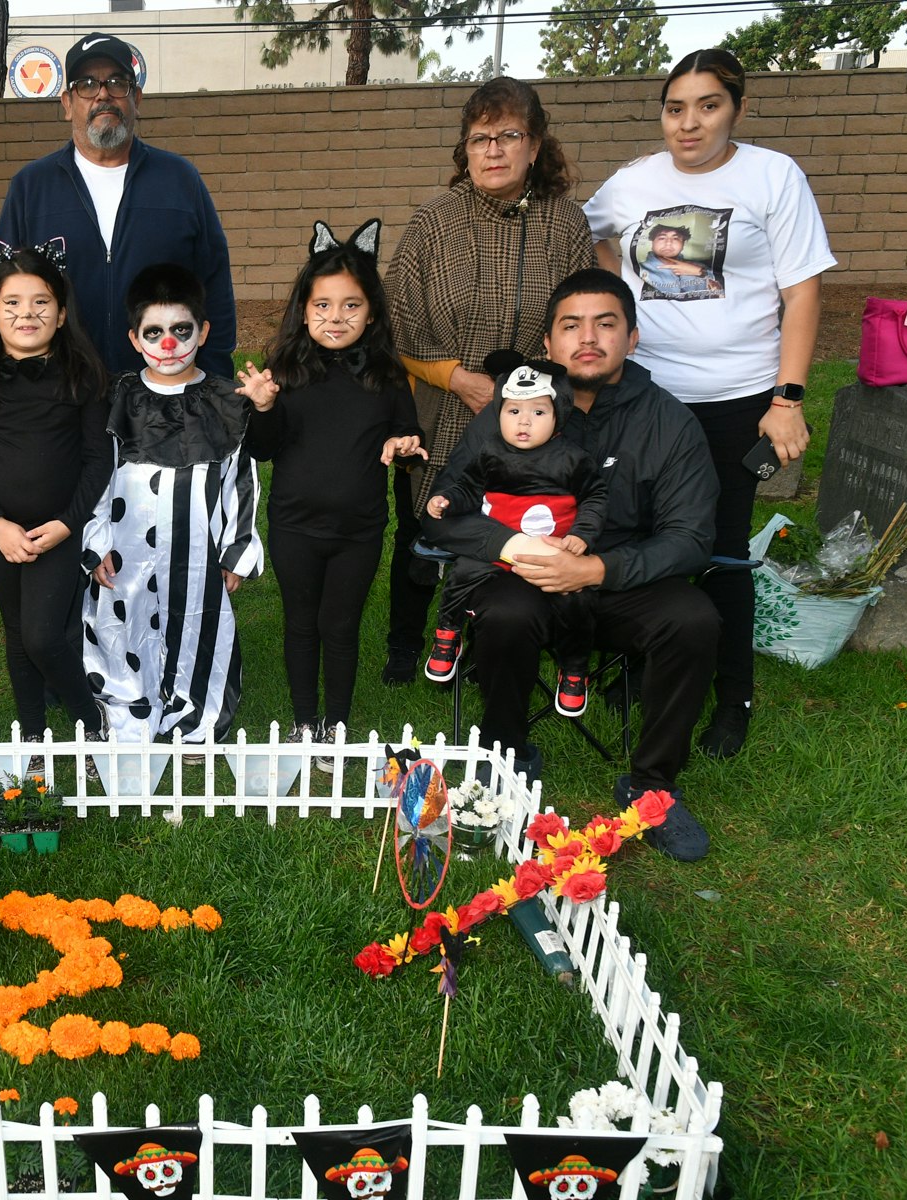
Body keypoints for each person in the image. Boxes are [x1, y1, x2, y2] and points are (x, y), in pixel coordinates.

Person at [585, 48, 834, 761]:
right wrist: (616, 287)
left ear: (737, 108)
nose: (688, 124)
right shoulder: (634, 182)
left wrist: (787, 398)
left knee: (720, 549)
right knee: (636, 535)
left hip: (739, 397)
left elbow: (803, 291)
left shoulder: (772, 176)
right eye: (674, 108)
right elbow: (587, 231)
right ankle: (638, 665)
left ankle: (733, 698)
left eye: (707, 106)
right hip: (648, 395)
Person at [423, 269, 719, 862]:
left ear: (631, 338)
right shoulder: (513, 408)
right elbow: (440, 508)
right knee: (503, 613)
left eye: (606, 324)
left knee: (695, 619)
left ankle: (652, 789)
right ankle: (504, 759)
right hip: (524, 577)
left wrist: (596, 570)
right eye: (571, 326)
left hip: (618, 581)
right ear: (550, 343)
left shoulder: (667, 421)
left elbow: (691, 538)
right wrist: (516, 550)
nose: (588, 337)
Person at [384, 77, 597, 685]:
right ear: (465, 149)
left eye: (509, 135)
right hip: (444, 405)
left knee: (513, 521)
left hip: (530, 416)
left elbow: (576, 321)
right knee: (424, 522)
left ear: (534, 146)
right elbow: (398, 325)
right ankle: (405, 642)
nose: (494, 149)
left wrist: (530, 392)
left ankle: (486, 639)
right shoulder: (433, 223)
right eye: (481, 138)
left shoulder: (564, 224)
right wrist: (459, 379)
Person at [235, 219, 422, 768]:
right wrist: (263, 408)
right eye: (321, 306)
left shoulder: (387, 375)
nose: (334, 318)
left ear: (371, 312)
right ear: (303, 309)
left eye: (350, 307)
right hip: (295, 525)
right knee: (301, 621)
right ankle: (302, 721)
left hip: (359, 530)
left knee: (340, 626)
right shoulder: (284, 371)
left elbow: (408, 437)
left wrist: (406, 446)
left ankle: (335, 727)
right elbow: (264, 450)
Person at [82, 263, 261, 747]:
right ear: (135, 338)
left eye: (181, 330)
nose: (168, 344)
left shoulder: (226, 400)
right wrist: (96, 541)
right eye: (154, 332)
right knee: (126, 619)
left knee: (196, 626)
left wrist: (237, 549)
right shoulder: (119, 396)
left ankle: (193, 711)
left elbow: (240, 480)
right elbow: (95, 476)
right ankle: (130, 701)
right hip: (128, 546)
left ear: (202, 332)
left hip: (197, 549)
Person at [0, 241, 111, 761]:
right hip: (2, 531)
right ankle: (34, 733)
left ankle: (91, 720)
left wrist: (68, 524)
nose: (26, 313)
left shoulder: (82, 374)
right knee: (17, 633)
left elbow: (97, 460)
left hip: (59, 529)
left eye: (41, 302)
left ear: (61, 314)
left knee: (42, 636)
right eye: (12, 303)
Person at [0, 32, 236, 379]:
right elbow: (2, 292)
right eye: (87, 84)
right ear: (67, 103)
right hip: (61, 395)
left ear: (136, 98)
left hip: (163, 394)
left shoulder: (179, 180)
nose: (103, 94)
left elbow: (214, 287)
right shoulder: (31, 187)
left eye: (117, 82)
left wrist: (215, 382)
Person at [423, 354, 607, 719]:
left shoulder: (571, 458)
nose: (524, 421)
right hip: (498, 552)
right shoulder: (490, 451)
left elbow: (596, 497)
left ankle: (573, 669)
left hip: (553, 557)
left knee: (578, 602)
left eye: (538, 412)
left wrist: (583, 535)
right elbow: (469, 488)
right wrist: (449, 500)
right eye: (513, 411)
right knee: (461, 573)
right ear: (499, 414)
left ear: (558, 416)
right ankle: (448, 634)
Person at [636, 223, 722, 298]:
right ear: (652, 243)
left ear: (683, 245)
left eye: (675, 238)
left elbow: (723, 291)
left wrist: (701, 272)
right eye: (662, 238)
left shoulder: (700, 267)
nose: (668, 243)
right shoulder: (639, 269)